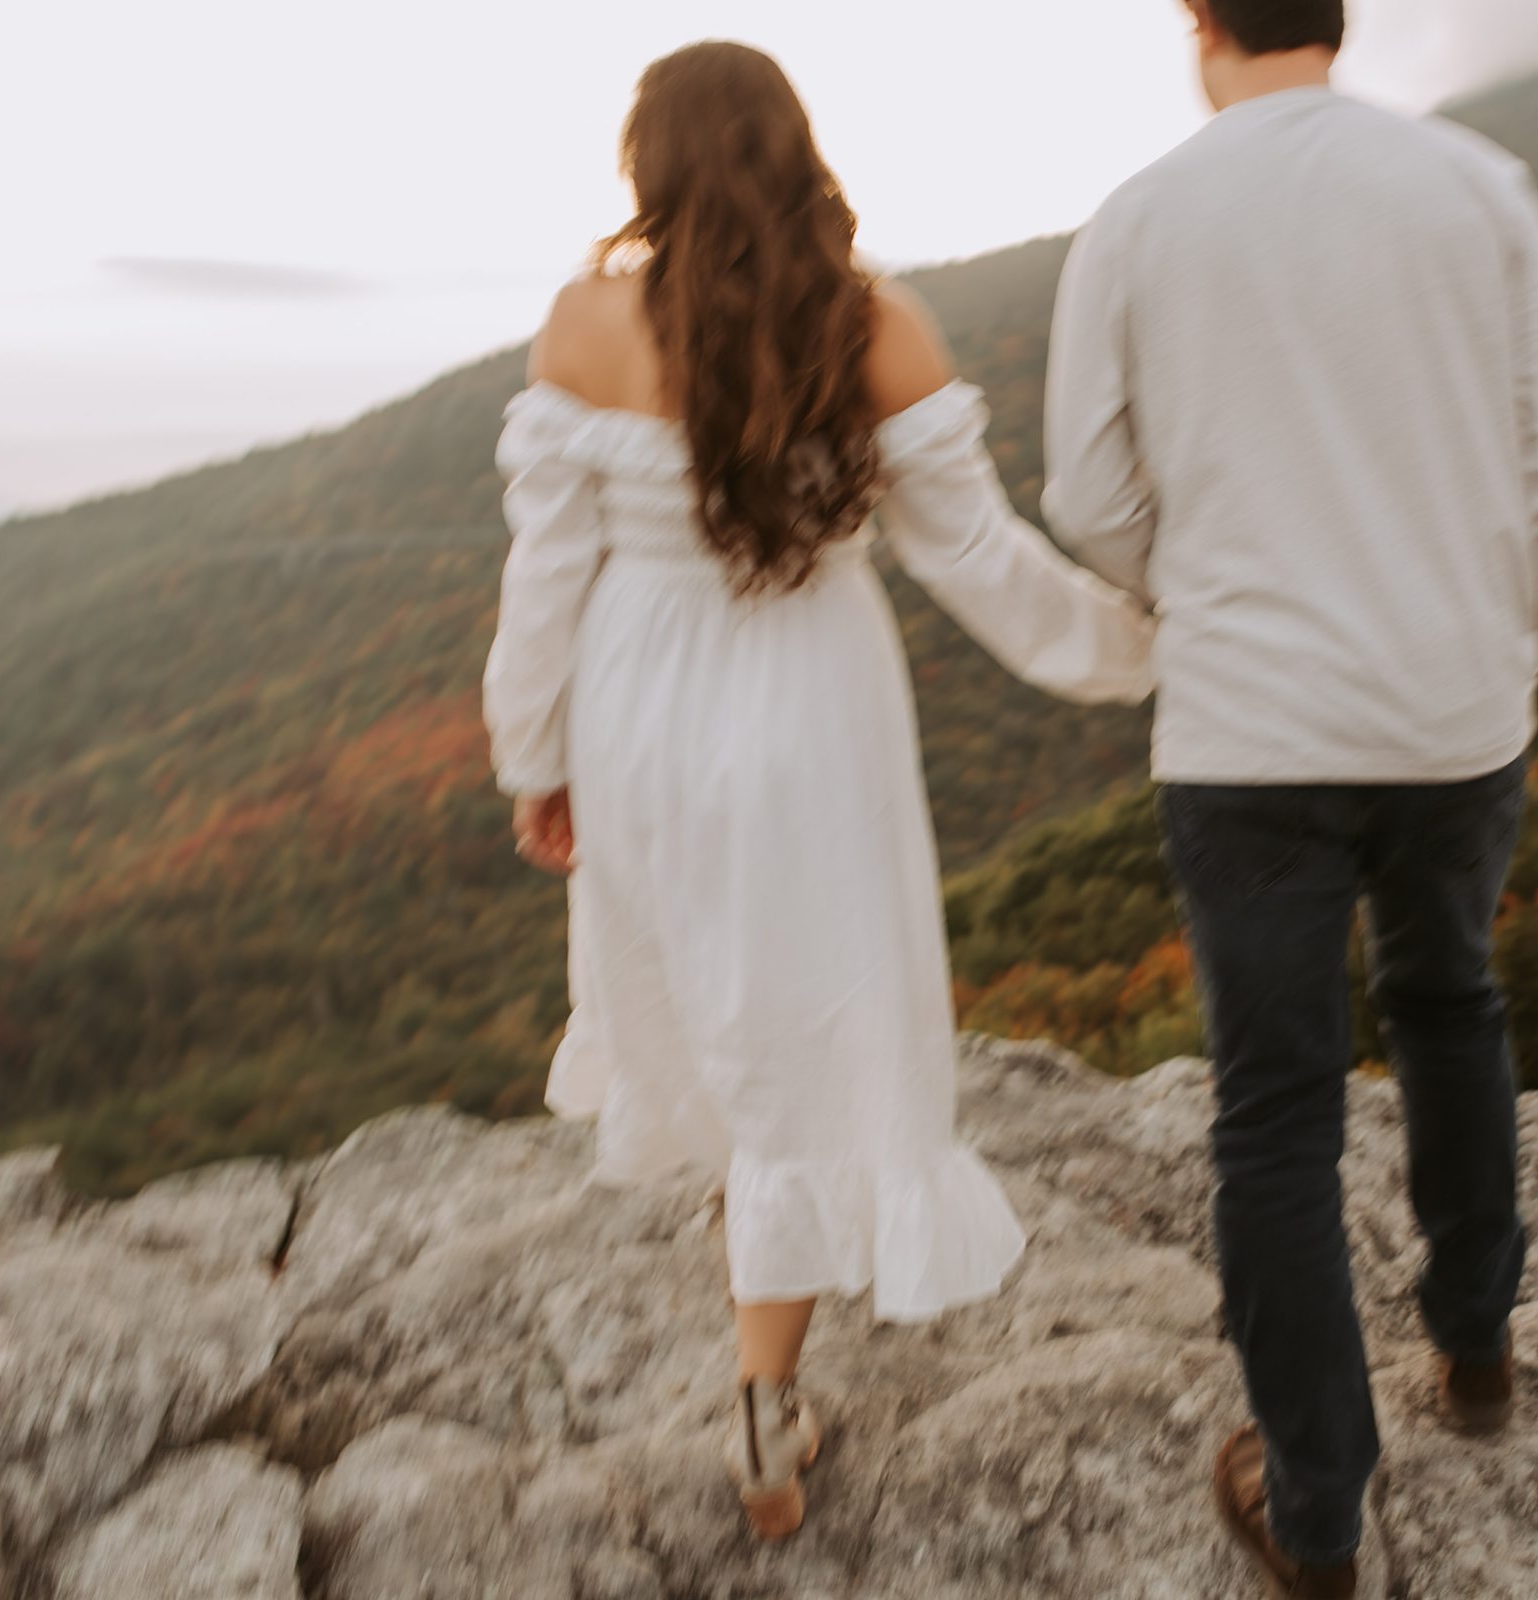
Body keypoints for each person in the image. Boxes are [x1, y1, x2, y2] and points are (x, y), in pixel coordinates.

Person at [481, 40, 1156, 1544]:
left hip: (639, 709)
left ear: (645, 167)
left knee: (711, 1005)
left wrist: (534, 757)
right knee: (803, 1008)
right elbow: (983, 566)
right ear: (799, 151)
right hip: (812, 712)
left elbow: (544, 584)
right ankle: (765, 1395)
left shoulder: (585, 327)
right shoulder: (873, 325)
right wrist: (1145, 650)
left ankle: (765, 1378)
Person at [1042, 1, 1538, 1593]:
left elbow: (1088, 492)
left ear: (1200, 24)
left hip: (1246, 731)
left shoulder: (1140, 218)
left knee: (1273, 1116)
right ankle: (1478, 1349)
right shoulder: (1481, 186)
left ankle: (1314, 1516)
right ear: (1338, 20)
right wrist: (1505, 631)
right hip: (1453, 707)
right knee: (1451, 1004)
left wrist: (1213, 590)